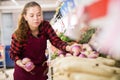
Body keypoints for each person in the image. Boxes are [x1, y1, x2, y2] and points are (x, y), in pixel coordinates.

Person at [9, 1, 81, 80]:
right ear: (25, 17)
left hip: (40, 72)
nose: (36, 18)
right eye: (32, 16)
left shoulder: (45, 26)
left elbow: (56, 41)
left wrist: (69, 48)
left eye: (39, 15)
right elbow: (13, 54)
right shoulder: (18, 34)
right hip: (23, 74)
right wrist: (21, 63)